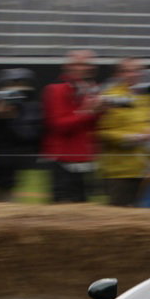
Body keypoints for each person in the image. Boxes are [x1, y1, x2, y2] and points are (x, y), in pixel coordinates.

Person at [96, 57, 150, 206]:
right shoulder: (109, 97)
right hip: (119, 171)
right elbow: (102, 132)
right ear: (119, 74)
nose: (134, 74)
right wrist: (134, 137)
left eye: (138, 70)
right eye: (129, 70)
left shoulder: (147, 99)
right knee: (118, 218)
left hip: (142, 169)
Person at [40, 49, 102, 202]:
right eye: (78, 64)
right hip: (64, 161)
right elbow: (58, 125)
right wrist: (88, 112)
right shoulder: (56, 89)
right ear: (68, 66)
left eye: (87, 64)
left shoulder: (93, 91)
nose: (83, 68)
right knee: (62, 212)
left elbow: (96, 126)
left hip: (86, 161)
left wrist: (100, 110)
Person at [0, 68, 41, 203]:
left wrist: (10, 118)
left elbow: (28, 137)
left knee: (11, 216)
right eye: (10, 86)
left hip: (14, 175)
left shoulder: (29, 109)